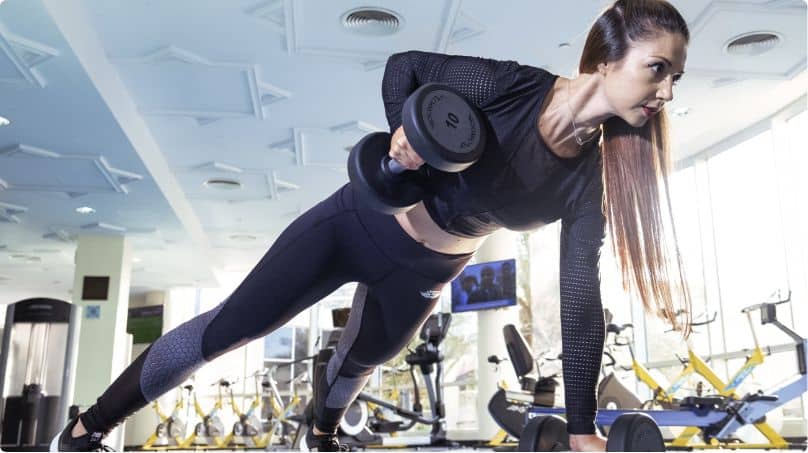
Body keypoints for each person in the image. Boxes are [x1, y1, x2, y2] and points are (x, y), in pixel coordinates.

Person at [51, 1, 692, 451]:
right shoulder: (514, 88)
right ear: (607, 58)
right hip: (356, 222)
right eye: (657, 68)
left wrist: (581, 426)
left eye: (676, 77)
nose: (665, 91)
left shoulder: (589, 181)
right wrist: (405, 135)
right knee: (228, 329)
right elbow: (405, 68)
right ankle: (84, 431)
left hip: (426, 270)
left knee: (361, 363)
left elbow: (581, 299)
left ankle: (323, 435)